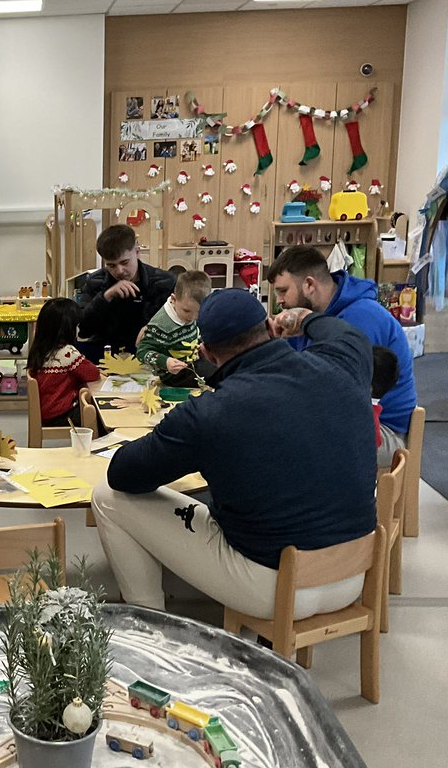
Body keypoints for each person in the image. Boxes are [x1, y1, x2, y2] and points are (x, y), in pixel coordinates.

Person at [91, 289, 376, 620]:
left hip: (272, 588)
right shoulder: (345, 362)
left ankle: (151, 630)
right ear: (271, 328)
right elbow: (344, 332)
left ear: (207, 354)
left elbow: (123, 475)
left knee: (106, 496)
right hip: (354, 573)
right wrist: (300, 318)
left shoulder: (209, 414)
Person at [266, 246, 416, 465]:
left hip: (382, 429)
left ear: (309, 285)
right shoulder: (311, 316)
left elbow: (337, 394)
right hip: (348, 419)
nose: (279, 301)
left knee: (283, 446)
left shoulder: (361, 318)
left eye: (283, 291)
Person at [78, 224, 175, 357]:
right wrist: (105, 297)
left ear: (137, 252)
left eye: (124, 263)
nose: (119, 271)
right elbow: (83, 330)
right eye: (111, 265)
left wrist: (155, 330)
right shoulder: (95, 282)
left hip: (150, 354)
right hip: (105, 354)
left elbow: (182, 324)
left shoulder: (164, 282)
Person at [26, 298, 101, 426]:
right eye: (77, 326)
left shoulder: (40, 348)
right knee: (98, 414)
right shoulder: (67, 352)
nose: (78, 330)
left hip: (47, 412)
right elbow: (93, 373)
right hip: (61, 414)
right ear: (66, 328)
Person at [135, 270, 211, 387]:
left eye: (198, 312)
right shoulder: (161, 325)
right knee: (215, 374)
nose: (192, 317)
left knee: (224, 364)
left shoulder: (191, 313)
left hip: (194, 360)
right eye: (186, 311)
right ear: (174, 299)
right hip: (173, 373)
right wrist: (165, 362)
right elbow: (142, 352)